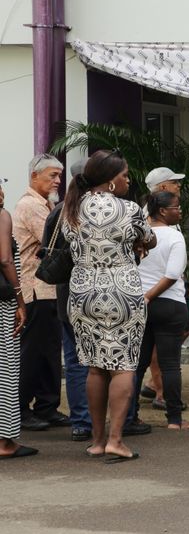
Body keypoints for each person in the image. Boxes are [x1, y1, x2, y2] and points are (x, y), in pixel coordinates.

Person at [63, 150, 157, 462]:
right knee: (124, 364)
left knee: (94, 365)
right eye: (124, 175)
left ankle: (97, 439)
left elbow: (68, 240)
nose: (128, 179)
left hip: (83, 290)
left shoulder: (72, 207)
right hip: (122, 290)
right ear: (110, 181)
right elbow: (150, 238)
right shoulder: (130, 209)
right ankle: (117, 439)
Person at [12, 154, 68, 433]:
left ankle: (47, 406)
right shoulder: (32, 206)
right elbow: (58, 240)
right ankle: (21, 409)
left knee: (48, 350)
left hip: (46, 290)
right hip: (35, 290)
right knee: (33, 352)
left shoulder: (44, 204)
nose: (58, 181)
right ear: (34, 176)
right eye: (52, 176)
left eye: (59, 175)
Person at [40, 160, 93, 442]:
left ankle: (81, 422)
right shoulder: (102, 211)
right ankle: (111, 419)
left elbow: (46, 247)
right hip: (96, 293)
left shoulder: (60, 212)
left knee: (74, 361)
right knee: (102, 361)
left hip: (66, 295)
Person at [134, 191, 189, 430]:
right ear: (163, 211)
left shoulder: (137, 236)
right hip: (169, 305)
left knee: (138, 364)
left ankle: (130, 415)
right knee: (169, 364)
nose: (180, 211)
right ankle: (175, 419)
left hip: (141, 306)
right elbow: (172, 274)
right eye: (176, 207)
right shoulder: (174, 237)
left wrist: (144, 297)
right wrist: (150, 296)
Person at [0, 178, 36, 459]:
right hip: (1, 302)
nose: (2, 192)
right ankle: (5, 442)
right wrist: (19, 299)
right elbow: (5, 259)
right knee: (7, 368)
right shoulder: (2, 215)